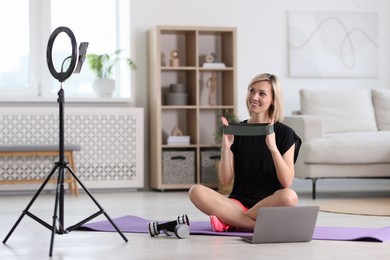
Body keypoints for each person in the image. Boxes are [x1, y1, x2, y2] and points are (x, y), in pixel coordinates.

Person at [188, 73, 302, 232]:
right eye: (251, 91)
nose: (254, 97)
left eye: (262, 93)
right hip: (237, 203)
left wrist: (273, 147)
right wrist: (226, 147)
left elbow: (286, 182)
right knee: (196, 191)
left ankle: (231, 220)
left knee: (290, 196)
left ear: (273, 100)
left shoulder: (285, 134)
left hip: (269, 204)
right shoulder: (238, 130)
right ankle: (253, 224)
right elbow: (226, 180)